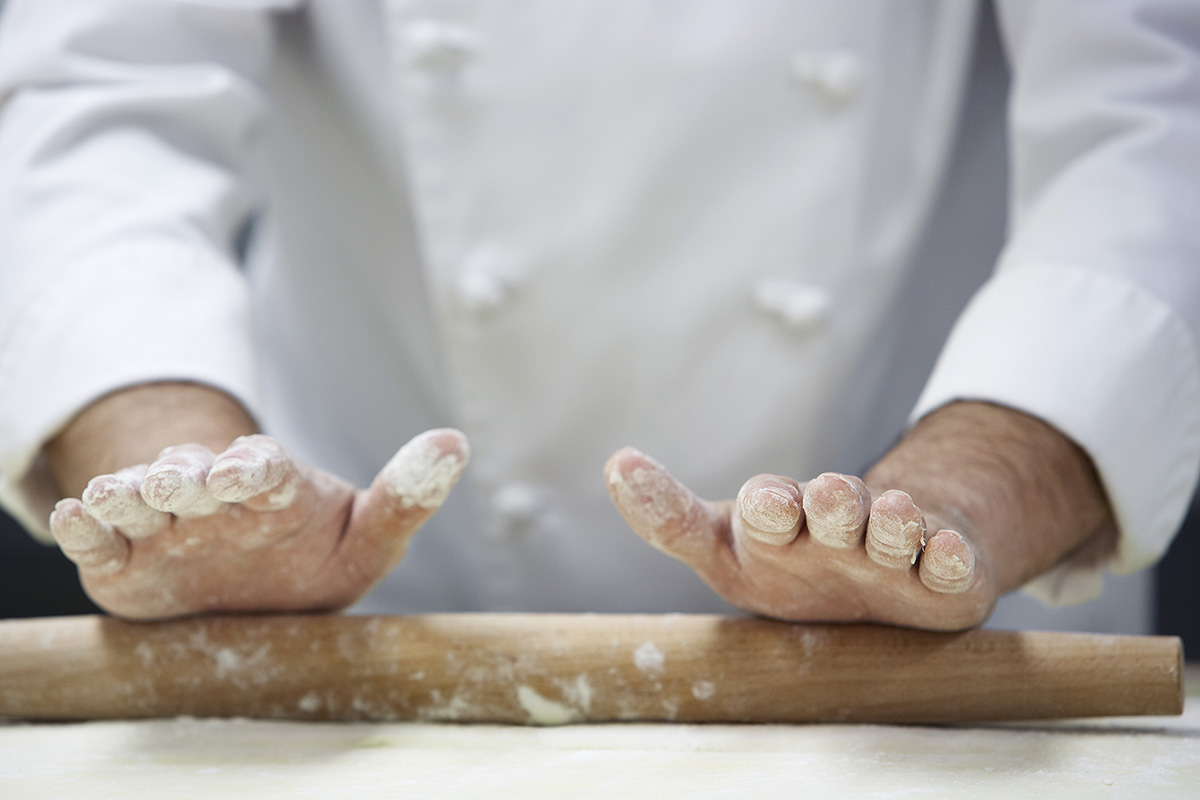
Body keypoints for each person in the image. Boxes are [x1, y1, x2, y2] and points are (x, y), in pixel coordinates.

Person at [0, 1, 1197, 632]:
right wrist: (182, 467)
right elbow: (99, 94)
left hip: (941, 635)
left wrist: (970, 492)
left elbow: (1158, 110)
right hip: (357, 625)